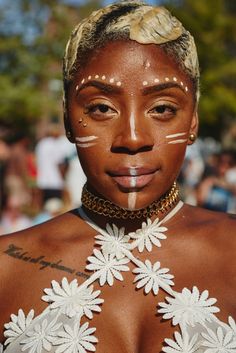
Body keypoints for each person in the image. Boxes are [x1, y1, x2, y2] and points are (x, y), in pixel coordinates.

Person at [0, 2, 236, 353]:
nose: (132, 139)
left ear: (193, 121)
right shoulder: (8, 268)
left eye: (162, 109)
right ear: (67, 119)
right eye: (100, 108)